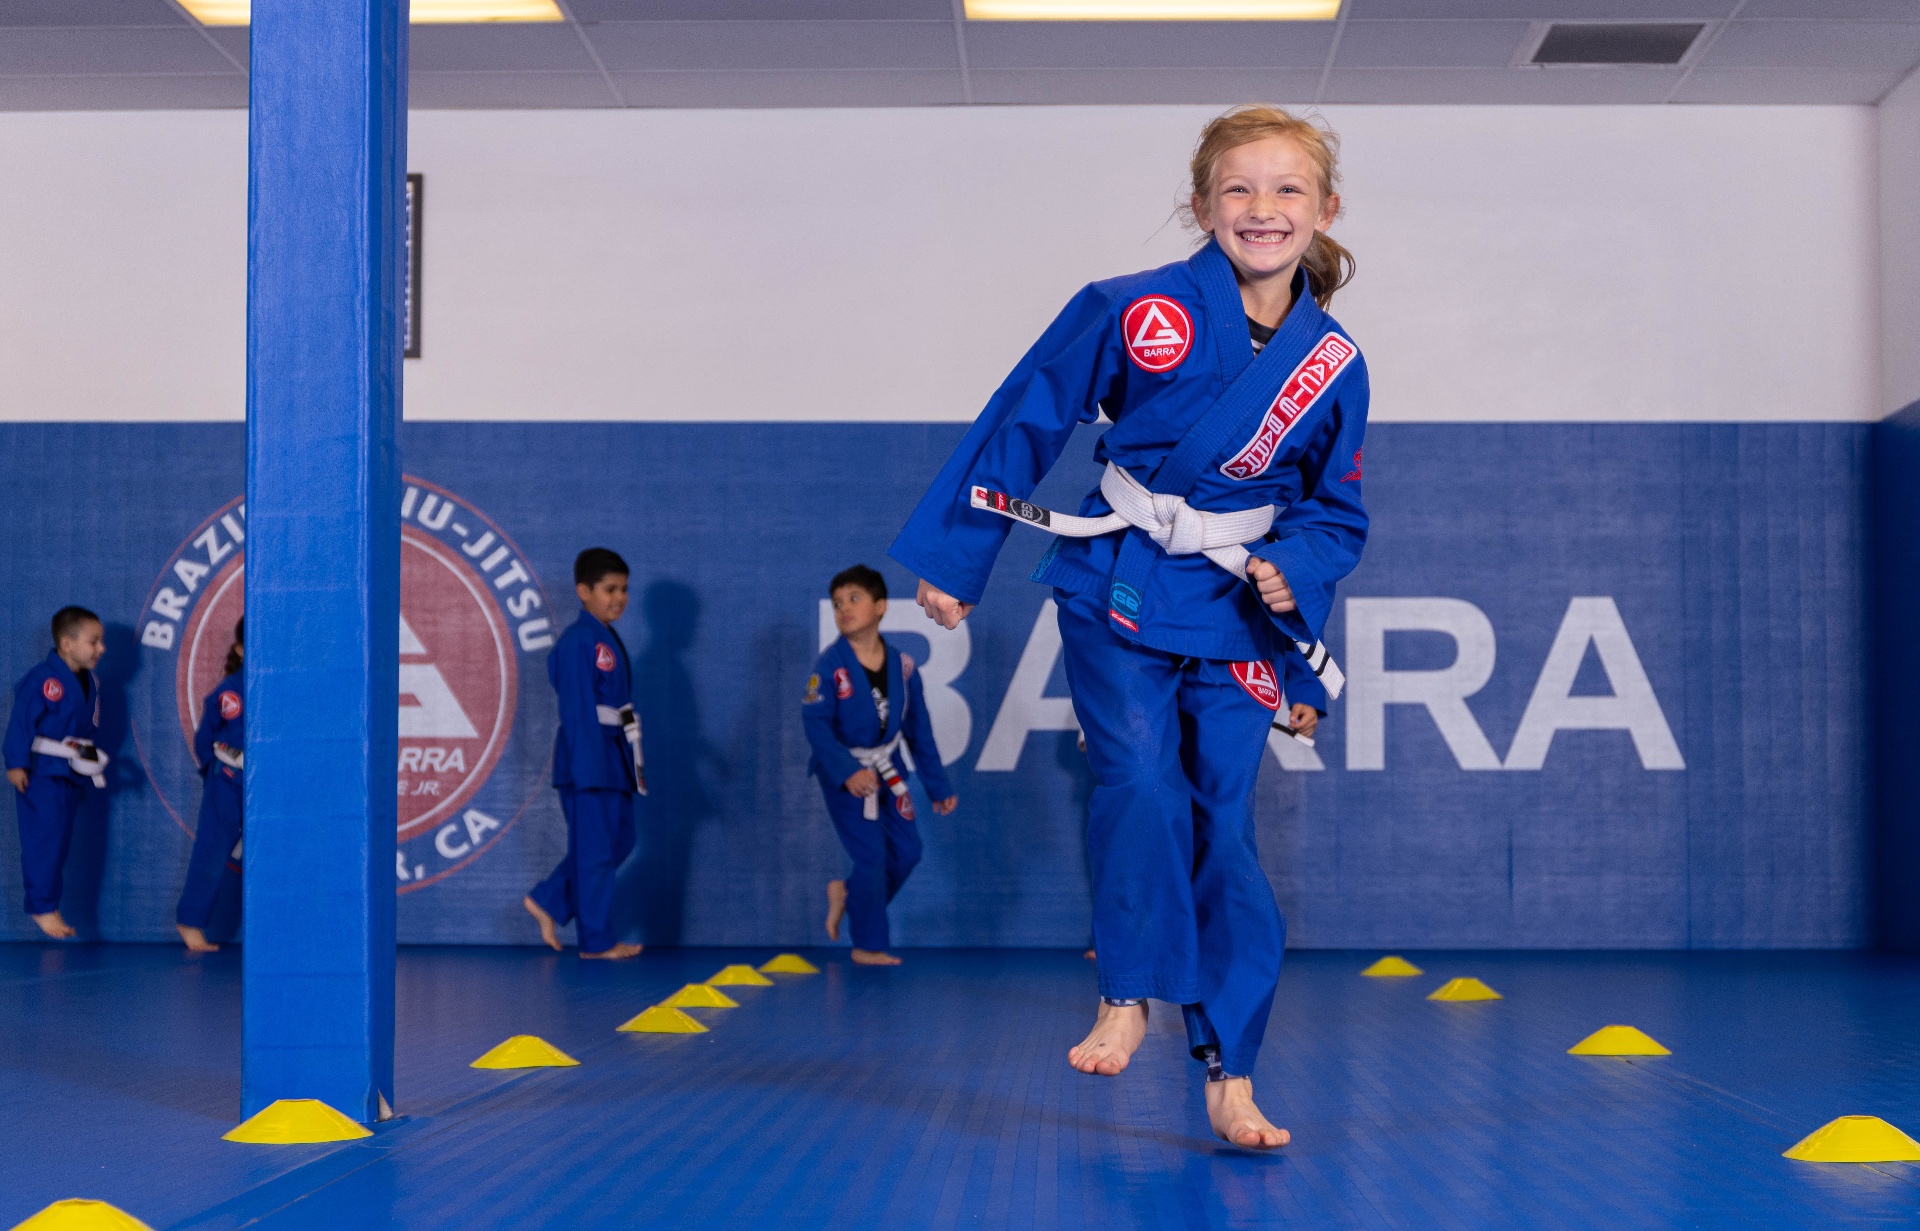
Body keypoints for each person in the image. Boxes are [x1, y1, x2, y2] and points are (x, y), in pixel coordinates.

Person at [889, 105, 1368, 1150]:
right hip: (1119, 579)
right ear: (1201, 206)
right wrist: (961, 558)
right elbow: (1027, 413)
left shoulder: (1333, 363)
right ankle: (1130, 986)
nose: (1262, 209)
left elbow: (1337, 509)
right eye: (1238, 188)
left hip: (1237, 608)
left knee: (1224, 832)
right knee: (1139, 779)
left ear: (1323, 211)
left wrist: (1300, 572)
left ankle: (1231, 1068)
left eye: (1288, 190)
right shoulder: (1130, 307)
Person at [803, 564, 956, 966]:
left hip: (889, 770)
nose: (844, 609)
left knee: (907, 852)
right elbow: (815, 725)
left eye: (854, 599)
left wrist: (938, 786)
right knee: (871, 857)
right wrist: (847, 772)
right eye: (837, 603)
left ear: (881, 606)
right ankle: (867, 945)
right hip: (847, 775)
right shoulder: (830, 665)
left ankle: (848, 894)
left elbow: (918, 731)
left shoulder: (904, 667)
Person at [524, 548, 646, 960]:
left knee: (621, 839)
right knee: (595, 850)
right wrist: (589, 768)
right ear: (583, 591)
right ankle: (596, 941)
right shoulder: (579, 640)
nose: (619, 598)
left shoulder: (604, 636)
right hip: (589, 757)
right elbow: (576, 710)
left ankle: (550, 899)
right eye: (609, 589)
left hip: (613, 752)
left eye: (624, 589)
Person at [4, 606, 110, 940]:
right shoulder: (43, 680)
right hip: (41, 771)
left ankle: (48, 902)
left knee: (59, 843)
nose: (101, 649)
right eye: (93, 642)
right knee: (44, 840)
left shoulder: (90, 681)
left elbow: (84, 730)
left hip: (68, 771)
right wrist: (16, 763)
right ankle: (41, 905)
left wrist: (86, 757)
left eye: (101, 642)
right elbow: (21, 722)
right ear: (66, 643)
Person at [176, 619, 244, 953]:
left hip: (272, 783)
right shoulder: (229, 691)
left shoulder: (288, 690)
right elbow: (206, 739)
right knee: (214, 849)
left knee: (282, 854)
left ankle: (284, 928)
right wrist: (213, 771)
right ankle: (190, 921)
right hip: (230, 777)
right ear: (241, 651)